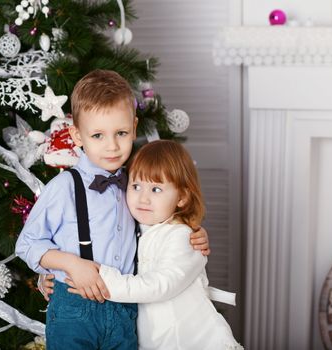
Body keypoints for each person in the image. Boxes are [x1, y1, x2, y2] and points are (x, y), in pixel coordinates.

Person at [15, 70, 210, 350]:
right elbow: (28, 244)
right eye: (98, 135)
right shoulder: (63, 187)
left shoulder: (135, 183)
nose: (112, 146)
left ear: (134, 126)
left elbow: (161, 223)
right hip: (75, 308)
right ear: (77, 136)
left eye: (121, 133)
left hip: (124, 308)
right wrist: (69, 264)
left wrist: (194, 231)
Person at [64, 140, 243, 350]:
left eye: (156, 189)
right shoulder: (133, 227)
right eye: (136, 186)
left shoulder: (184, 237)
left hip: (191, 341)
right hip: (153, 339)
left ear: (182, 197)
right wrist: (54, 272)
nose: (143, 198)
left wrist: (102, 281)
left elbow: (159, 285)